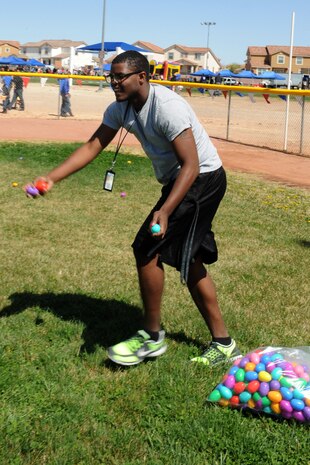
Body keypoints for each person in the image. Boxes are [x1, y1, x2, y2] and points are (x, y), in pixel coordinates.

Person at [25, 51, 240, 367]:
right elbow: (93, 146)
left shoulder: (168, 108)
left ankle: (151, 338)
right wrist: (52, 177)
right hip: (183, 180)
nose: (114, 82)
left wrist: (165, 211)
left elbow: (192, 165)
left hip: (201, 180)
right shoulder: (120, 108)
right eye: (110, 76)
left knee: (147, 248)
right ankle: (224, 344)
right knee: (188, 259)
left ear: (142, 76)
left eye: (120, 76)